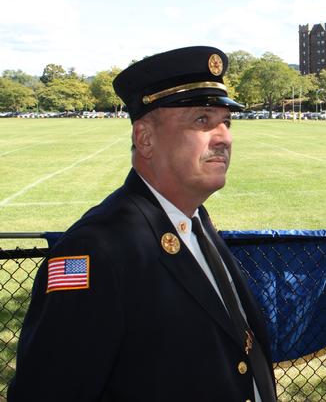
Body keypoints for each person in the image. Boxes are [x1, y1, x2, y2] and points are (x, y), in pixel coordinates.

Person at [9, 46, 277, 402]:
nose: (224, 137)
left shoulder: (195, 222)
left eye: (226, 121)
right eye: (202, 120)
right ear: (145, 139)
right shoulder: (96, 250)